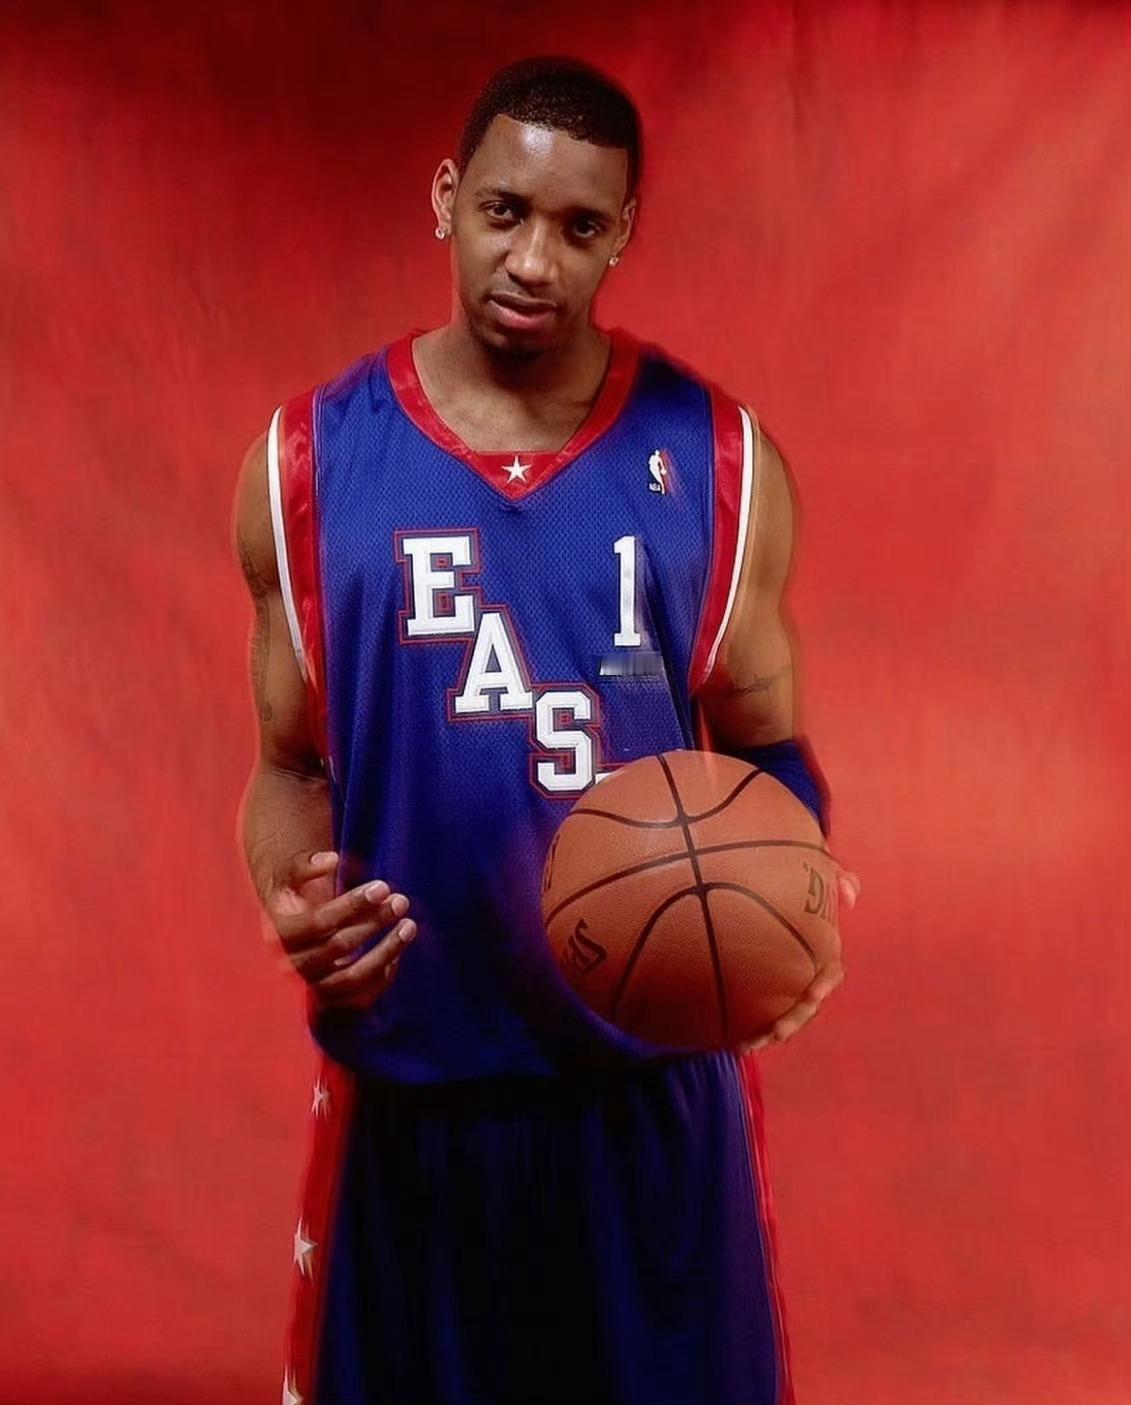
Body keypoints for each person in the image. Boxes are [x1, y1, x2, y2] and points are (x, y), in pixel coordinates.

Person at [234, 55, 855, 1405]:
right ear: (446, 198)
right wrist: (292, 891)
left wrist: (794, 902)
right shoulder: (310, 462)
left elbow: (769, 750)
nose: (533, 260)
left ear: (624, 231)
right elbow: (288, 767)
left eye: (580, 227)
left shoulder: (719, 462)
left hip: (648, 1092)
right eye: (504, 211)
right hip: (417, 1088)